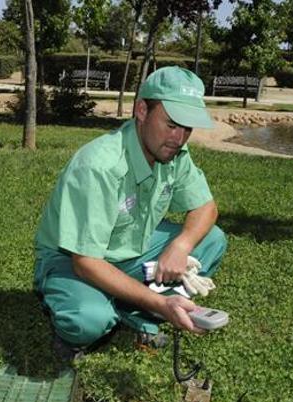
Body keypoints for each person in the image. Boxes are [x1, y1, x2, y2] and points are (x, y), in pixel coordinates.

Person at [33, 66, 228, 360]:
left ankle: (133, 304)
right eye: (172, 124)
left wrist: (181, 245)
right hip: (73, 260)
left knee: (212, 239)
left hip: (131, 251)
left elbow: (206, 207)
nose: (179, 138)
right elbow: (85, 262)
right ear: (141, 110)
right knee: (88, 320)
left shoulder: (174, 154)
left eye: (187, 128)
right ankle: (131, 306)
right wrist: (160, 304)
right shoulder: (99, 166)